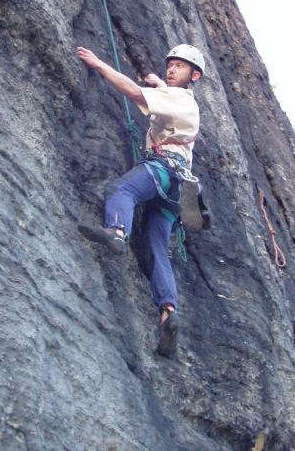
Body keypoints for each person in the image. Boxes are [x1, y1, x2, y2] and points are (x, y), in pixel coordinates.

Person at [77, 43, 205, 356]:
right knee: (156, 249)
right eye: (170, 64)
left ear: (195, 75)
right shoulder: (182, 100)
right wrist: (159, 83)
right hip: (177, 190)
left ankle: (117, 231)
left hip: (164, 168)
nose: (171, 69)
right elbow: (165, 99)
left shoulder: (179, 99)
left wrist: (99, 64)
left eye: (180, 66)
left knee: (122, 191)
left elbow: (134, 93)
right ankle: (168, 313)